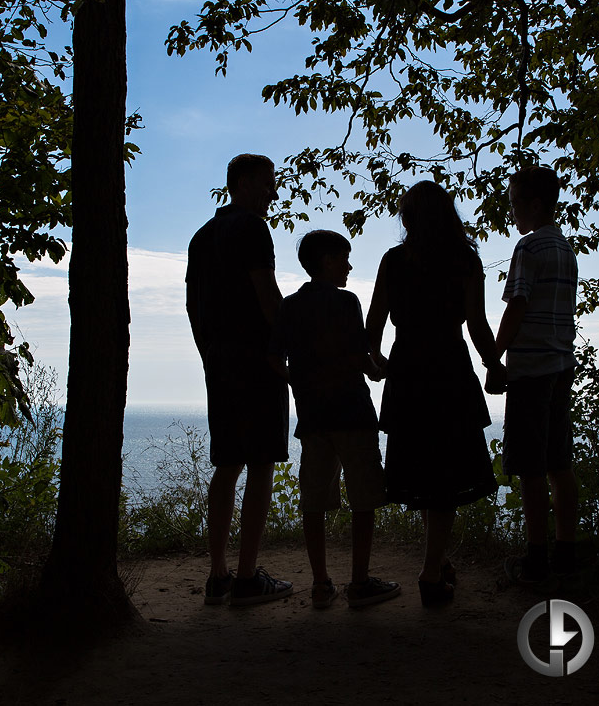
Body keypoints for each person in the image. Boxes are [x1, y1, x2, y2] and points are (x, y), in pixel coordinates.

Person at [365, 180, 505, 606]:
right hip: (448, 367)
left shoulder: (394, 260)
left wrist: (375, 361)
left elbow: (374, 324)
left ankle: (436, 562)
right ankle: (430, 572)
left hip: (408, 368)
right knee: (445, 472)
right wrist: (493, 364)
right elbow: (476, 323)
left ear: (408, 218)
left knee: (426, 469)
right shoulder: (464, 259)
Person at [268, 230, 401, 609]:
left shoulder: (290, 306)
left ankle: (321, 584)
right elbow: (362, 357)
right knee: (364, 499)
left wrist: (301, 382)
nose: (349, 265)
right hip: (353, 412)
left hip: (313, 418)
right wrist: (381, 371)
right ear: (328, 261)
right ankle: (359, 583)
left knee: (314, 501)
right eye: (344, 258)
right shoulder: (347, 302)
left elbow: (274, 358)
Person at [186, 153, 293, 606]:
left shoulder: (201, 236)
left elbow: (193, 306)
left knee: (227, 464)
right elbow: (268, 298)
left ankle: (219, 577)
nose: (274, 192)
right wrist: (291, 351)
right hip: (259, 361)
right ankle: (249, 578)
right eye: (269, 183)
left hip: (220, 363)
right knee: (262, 463)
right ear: (243, 182)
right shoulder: (252, 228)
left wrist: (210, 354)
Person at [494, 166, 579, 586]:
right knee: (559, 463)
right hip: (562, 366)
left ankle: (536, 559)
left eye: (513, 204)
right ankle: (567, 553)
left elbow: (517, 307)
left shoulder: (528, 248)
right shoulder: (565, 248)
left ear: (533, 205)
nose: (511, 213)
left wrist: (494, 357)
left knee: (529, 467)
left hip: (530, 371)